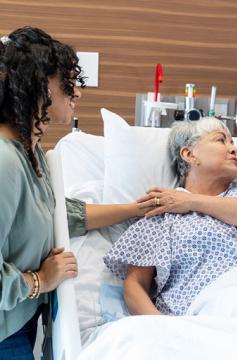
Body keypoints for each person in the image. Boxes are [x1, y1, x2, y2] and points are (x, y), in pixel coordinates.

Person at [0, 27, 150, 358]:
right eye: (68, 83)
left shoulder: (31, 151)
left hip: (21, 324)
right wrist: (39, 280)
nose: (78, 93)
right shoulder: (5, 162)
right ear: (37, 83)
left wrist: (136, 209)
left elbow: (57, 213)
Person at [103, 117, 237, 316]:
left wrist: (191, 202)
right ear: (189, 154)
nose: (234, 149)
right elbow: (135, 284)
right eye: (221, 140)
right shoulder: (163, 213)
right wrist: (162, 326)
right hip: (215, 304)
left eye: (233, 143)